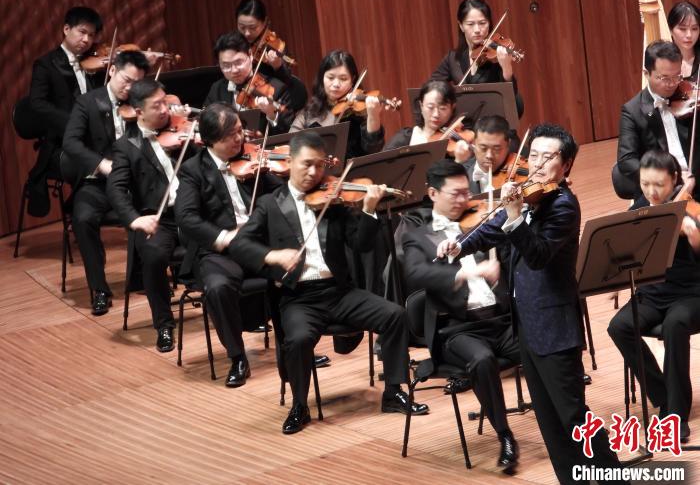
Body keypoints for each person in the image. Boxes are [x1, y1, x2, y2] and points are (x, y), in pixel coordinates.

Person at [437, 124, 625, 484]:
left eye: (547, 157)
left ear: (565, 165)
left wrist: (514, 216)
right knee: (548, 417)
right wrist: (461, 245)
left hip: (555, 329)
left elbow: (537, 255)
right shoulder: (528, 196)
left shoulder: (563, 206)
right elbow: (491, 227)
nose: (536, 164)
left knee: (573, 416)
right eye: (533, 155)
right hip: (527, 325)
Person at [230, 132, 428, 434]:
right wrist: (272, 255)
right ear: (290, 162)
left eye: (320, 165)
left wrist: (368, 210)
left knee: (395, 315)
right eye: (307, 164)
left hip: (339, 292)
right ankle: (300, 405)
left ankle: (393, 392)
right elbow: (240, 245)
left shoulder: (334, 202)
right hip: (299, 298)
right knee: (298, 340)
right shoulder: (270, 204)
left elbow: (361, 245)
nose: (314, 172)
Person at [402, 159, 520, 472]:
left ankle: (564, 421)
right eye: (455, 194)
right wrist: (463, 274)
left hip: (499, 320)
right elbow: (415, 273)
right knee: (482, 360)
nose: (464, 200)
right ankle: (505, 435)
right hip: (457, 330)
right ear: (432, 193)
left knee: (540, 343)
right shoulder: (418, 237)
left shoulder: (483, 223)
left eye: (467, 192)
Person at [175, 102, 284, 386]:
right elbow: (186, 217)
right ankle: (237, 357)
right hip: (220, 252)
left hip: (257, 245)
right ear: (210, 141)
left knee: (294, 270)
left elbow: (284, 194)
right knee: (218, 287)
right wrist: (225, 238)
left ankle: (295, 349)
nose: (239, 139)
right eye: (230, 135)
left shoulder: (253, 159)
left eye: (239, 130)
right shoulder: (192, 170)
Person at [608, 149, 700, 443]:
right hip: (651, 294)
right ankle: (662, 395)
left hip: (690, 294)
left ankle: (676, 414)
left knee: (675, 324)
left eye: (659, 184)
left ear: (675, 180)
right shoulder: (638, 210)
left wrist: (695, 237)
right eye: (645, 184)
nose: (651, 191)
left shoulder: (692, 208)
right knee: (619, 326)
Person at [106, 79, 194, 352]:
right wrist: (134, 219)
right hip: (159, 219)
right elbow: (115, 188)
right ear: (138, 112)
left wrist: (195, 136)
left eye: (165, 102)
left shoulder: (183, 130)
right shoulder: (126, 146)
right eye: (157, 106)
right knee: (154, 256)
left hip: (192, 211)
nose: (165, 110)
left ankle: (246, 312)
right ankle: (164, 324)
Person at [62, 50, 150, 315]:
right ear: (112, 71)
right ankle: (99, 289)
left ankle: (145, 277)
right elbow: (71, 143)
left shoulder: (141, 103)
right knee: (83, 218)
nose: (130, 88)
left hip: (131, 184)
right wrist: (102, 164)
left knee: (152, 210)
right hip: (97, 183)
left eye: (136, 83)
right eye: (126, 80)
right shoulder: (88, 102)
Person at [27, 6, 103, 216]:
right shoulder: (46, 65)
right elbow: (38, 104)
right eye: (82, 32)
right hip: (60, 144)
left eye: (91, 35)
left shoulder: (95, 64)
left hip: (94, 140)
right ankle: (83, 211)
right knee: (86, 162)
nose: (87, 40)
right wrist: (75, 123)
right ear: (66, 29)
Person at [614, 40, 700, 201]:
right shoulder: (632, 111)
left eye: (677, 76)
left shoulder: (691, 98)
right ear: (646, 74)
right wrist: (664, 178)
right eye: (664, 78)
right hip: (660, 192)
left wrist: (692, 178)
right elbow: (626, 160)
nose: (673, 84)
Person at [431, 0, 523, 117]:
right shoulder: (452, 58)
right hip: (465, 123)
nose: (477, 30)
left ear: (489, 24)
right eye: (470, 24)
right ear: (461, 26)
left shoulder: (497, 57)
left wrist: (506, 68)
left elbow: (512, 102)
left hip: (493, 122)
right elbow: (431, 89)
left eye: (482, 23)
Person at [289, 50, 386, 161]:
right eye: (330, 78)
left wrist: (373, 116)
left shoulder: (360, 111)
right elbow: (290, 144)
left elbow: (374, 149)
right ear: (322, 78)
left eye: (343, 79)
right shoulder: (309, 112)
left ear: (353, 80)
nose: (336, 84)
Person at [203, 31, 293, 134]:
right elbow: (205, 124)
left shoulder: (276, 88)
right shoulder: (217, 89)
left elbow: (288, 131)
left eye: (238, 62)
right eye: (226, 65)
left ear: (250, 55)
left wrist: (271, 114)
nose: (234, 70)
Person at [383, 80, 472, 164]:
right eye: (430, 107)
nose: (436, 114)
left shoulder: (457, 145)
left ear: (452, 108)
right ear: (421, 106)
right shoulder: (405, 139)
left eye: (443, 108)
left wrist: (460, 161)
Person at [463, 115, 521, 195]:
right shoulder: (460, 174)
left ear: (508, 145)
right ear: (474, 143)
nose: (489, 155)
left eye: (496, 149)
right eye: (483, 148)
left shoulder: (519, 176)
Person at [669, 1, 700, 80]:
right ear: (670, 30)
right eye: (683, 29)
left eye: (694, 29)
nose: (689, 35)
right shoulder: (662, 60)